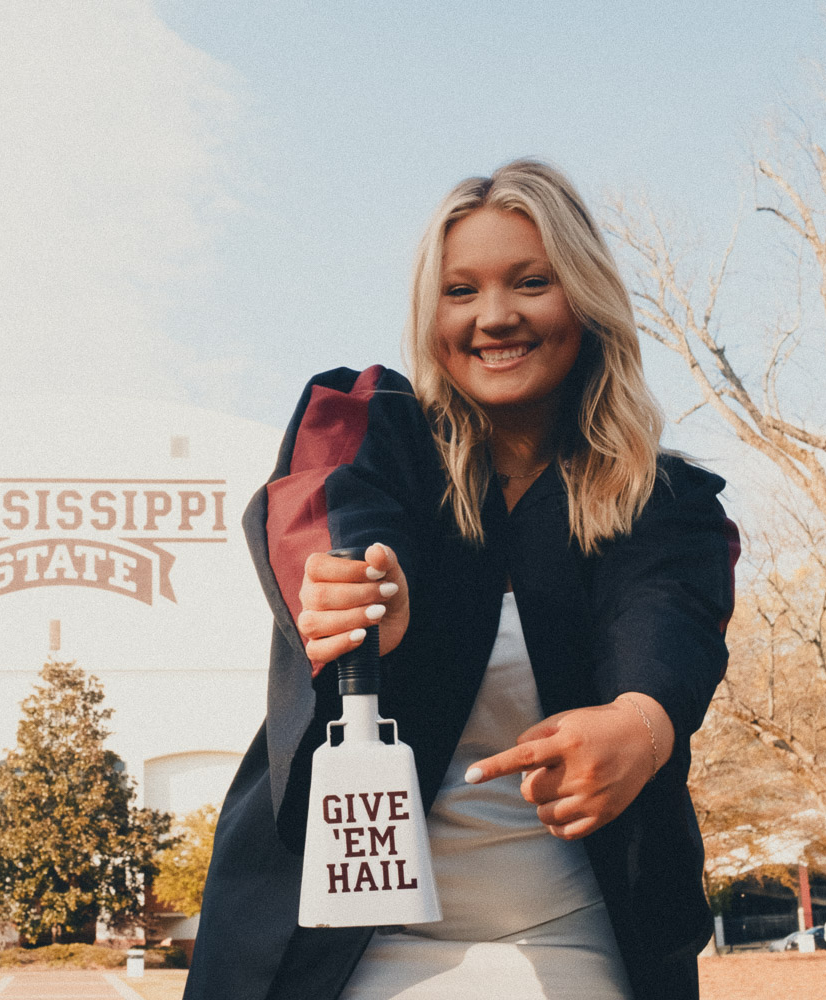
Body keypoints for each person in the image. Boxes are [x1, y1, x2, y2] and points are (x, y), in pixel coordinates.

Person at [184, 160, 737, 1000]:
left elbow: (665, 614)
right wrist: (373, 595)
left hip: (576, 936)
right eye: (461, 291)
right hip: (349, 942)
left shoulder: (661, 503)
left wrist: (641, 725)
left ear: (583, 300)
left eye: (530, 282)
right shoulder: (379, 434)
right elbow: (338, 520)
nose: (495, 316)